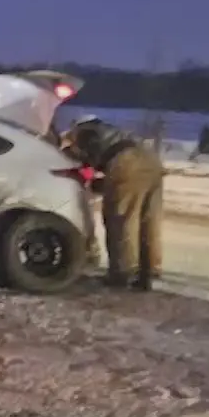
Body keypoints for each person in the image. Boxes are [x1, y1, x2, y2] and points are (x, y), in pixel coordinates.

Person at [63, 116, 163, 290]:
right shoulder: (112, 130)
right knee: (148, 219)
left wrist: (70, 157)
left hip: (127, 161)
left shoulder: (86, 132)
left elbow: (89, 159)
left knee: (122, 219)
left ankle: (122, 273)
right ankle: (149, 270)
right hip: (151, 160)